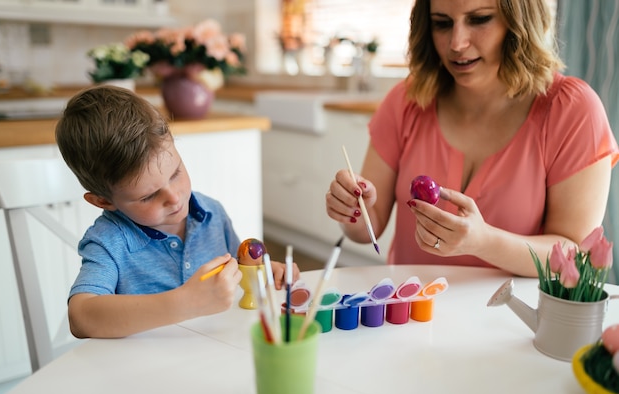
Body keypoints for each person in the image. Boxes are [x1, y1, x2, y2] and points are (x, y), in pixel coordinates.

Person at [325, 0, 619, 277]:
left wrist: (483, 241)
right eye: (442, 23)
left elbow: (573, 254)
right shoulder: (406, 102)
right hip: (410, 317)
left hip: (514, 323)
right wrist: (352, 210)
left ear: (520, 21)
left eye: (479, 19)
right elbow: (368, 229)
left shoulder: (572, 111)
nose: (457, 43)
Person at [56, 85, 297, 339]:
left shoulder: (212, 213)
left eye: (175, 173)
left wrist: (259, 275)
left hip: (217, 354)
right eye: (148, 196)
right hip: (143, 371)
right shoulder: (109, 242)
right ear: (104, 201)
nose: (174, 198)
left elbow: (236, 273)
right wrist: (184, 303)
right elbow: (80, 318)